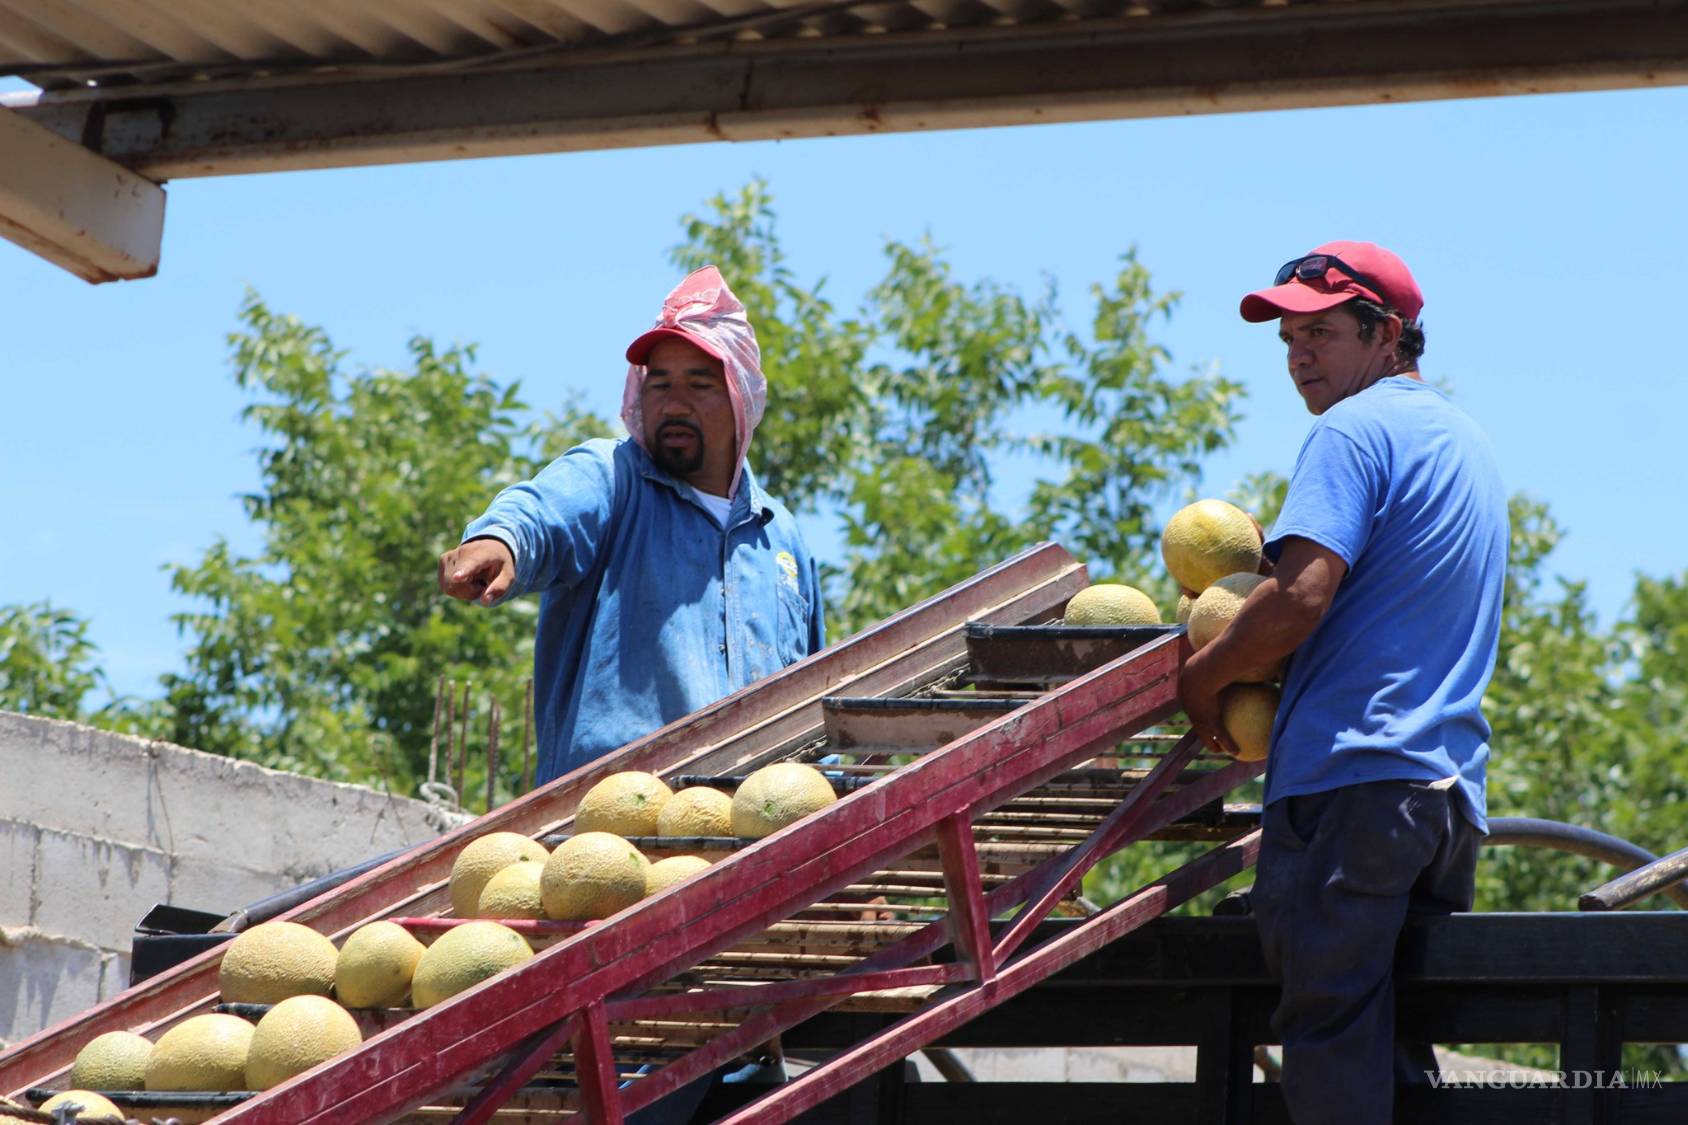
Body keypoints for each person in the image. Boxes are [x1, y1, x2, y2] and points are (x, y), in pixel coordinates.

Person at [1179, 242, 1508, 1124]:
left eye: (1321, 332)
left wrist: (1206, 672)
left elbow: (1301, 596)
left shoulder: (1350, 431)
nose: (1299, 356)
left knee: (1329, 1031)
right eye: (1289, 337)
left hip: (1352, 785)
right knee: (1393, 1042)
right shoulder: (1466, 443)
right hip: (1442, 799)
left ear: (1388, 334)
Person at [438, 266, 826, 786]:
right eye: (659, 382)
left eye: (699, 383)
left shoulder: (782, 540)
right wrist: (499, 542)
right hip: (608, 837)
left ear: (742, 398)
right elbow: (537, 514)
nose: (674, 402)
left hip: (753, 841)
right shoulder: (612, 478)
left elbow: (814, 701)